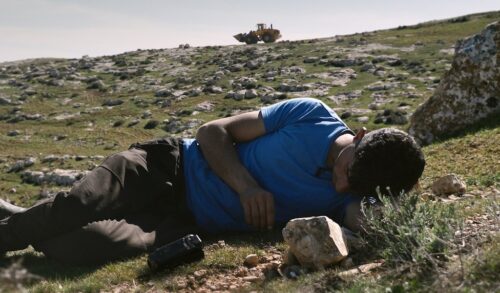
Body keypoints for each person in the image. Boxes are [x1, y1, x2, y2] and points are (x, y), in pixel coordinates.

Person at [0, 98, 425, 265]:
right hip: (167, 165)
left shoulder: (352, 196)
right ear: (362, 135)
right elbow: (211, 132)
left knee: (91, 248)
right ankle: (13, 230)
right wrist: (246, 187)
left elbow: (370, 221)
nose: (341, 188)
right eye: (349, 173)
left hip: (186, 221)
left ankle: (25, 218)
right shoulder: (311, 115)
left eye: (356, 189)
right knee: (81, 204)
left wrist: (397, 201)